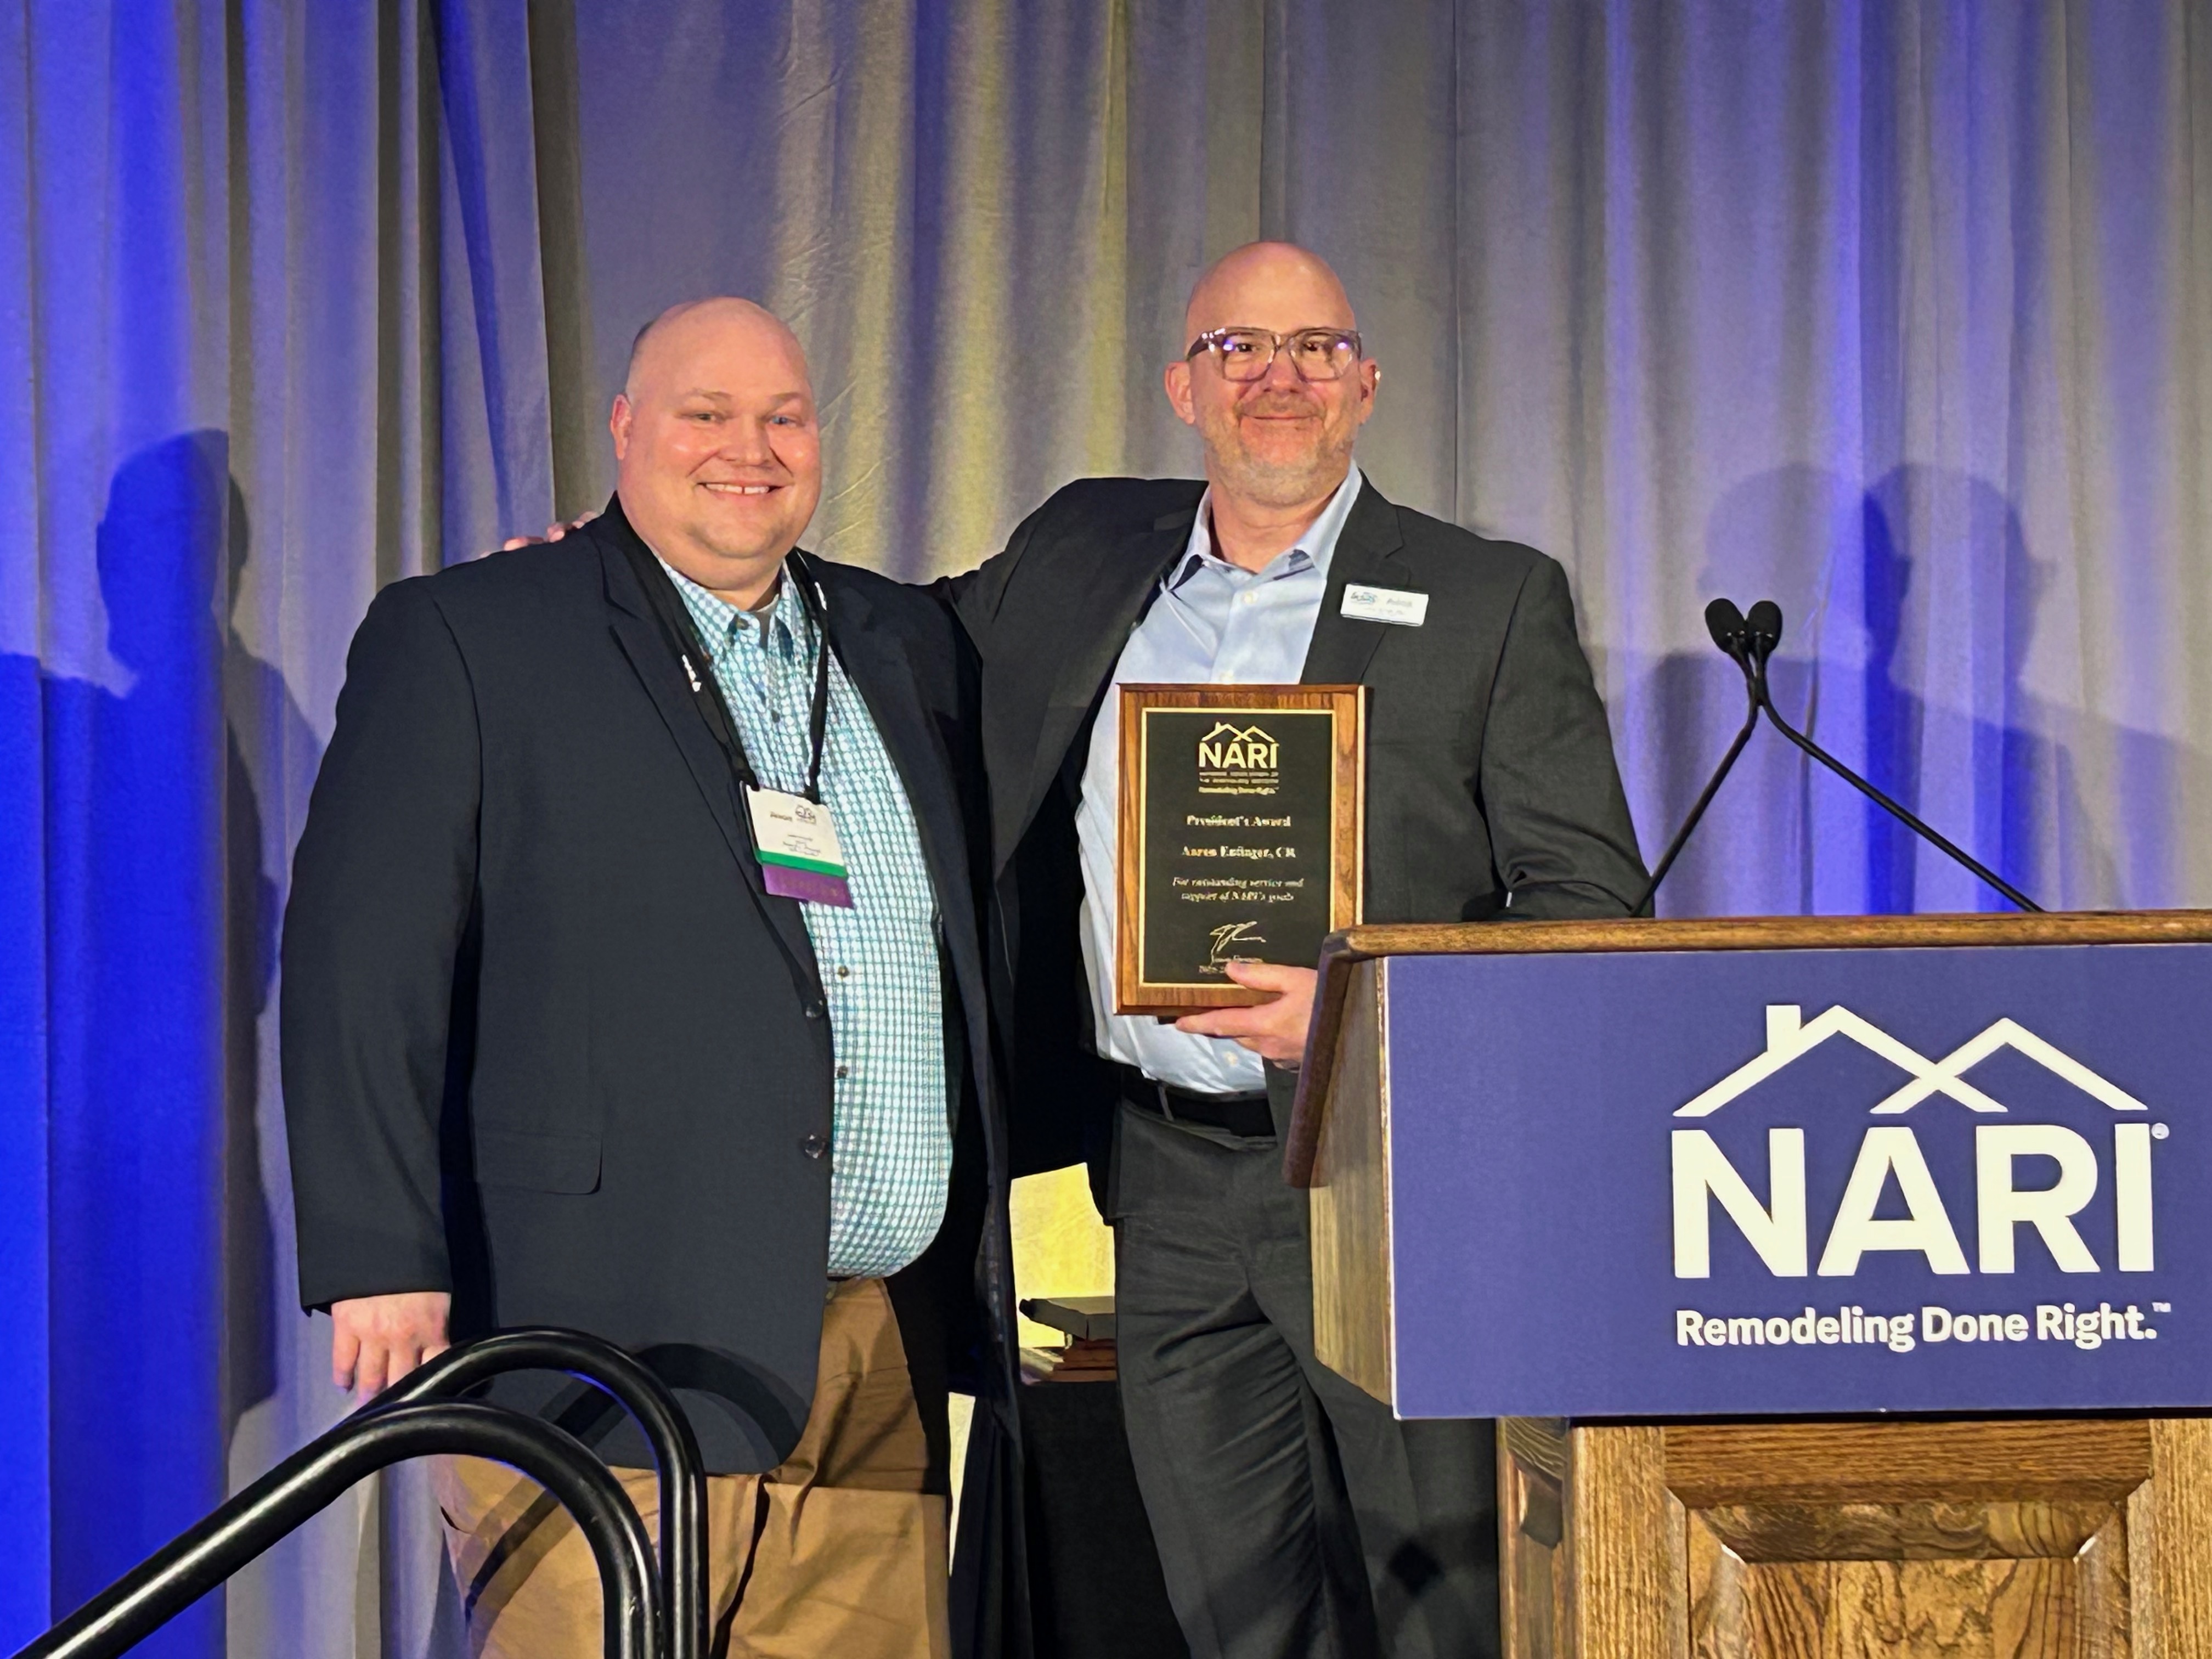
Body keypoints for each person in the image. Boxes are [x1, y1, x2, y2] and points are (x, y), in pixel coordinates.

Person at [281, 297, 1013, 1659]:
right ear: (624, 428)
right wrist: (382, 1256)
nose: (752, 448)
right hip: (599, 1332)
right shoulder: (477, 631)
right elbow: (358, 961)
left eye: (784, 417)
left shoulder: (903, 640)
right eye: (706, 414)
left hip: (875, 1350)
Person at [944, 242, 1647, 1658]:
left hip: (1391, 1177)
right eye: (1241, 348)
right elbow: (892, 638)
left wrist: (1365, 1013)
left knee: (1446, 1618)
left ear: (1367, 384)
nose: (1280, 377)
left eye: (1317, 348)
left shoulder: (1490, 599)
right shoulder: (1085, 558)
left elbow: (1591, 909)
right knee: (1237, 1625)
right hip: (1166, 1182)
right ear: (1182, 386)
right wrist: (649, 559)